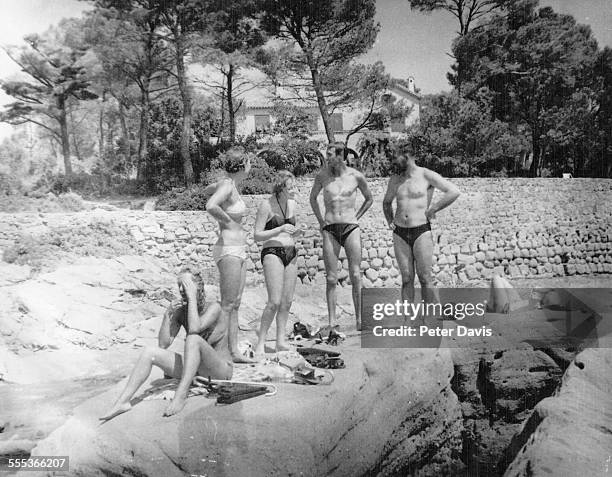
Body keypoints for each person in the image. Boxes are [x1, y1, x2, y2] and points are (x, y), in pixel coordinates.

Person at [100, 272, 232, 420]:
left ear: (198, 287)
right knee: (150, 352)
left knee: (193, 338)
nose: (182, 290)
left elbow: (195, 329)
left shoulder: (214, 307)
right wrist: (168, 314)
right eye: (180, 286)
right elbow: (163, 344)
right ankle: (122, 402)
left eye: (187, 286)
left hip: (220, 371)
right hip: (196, 370)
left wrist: (192, 299)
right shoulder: (183, 311)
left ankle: (180, 395)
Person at [382, 148, 460, 306]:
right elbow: (386, 202)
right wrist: (390, 220)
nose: (394, 163)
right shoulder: (395, 179)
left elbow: (453, 191)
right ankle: (408, 322)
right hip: (399, 233)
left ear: (408, 156)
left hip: (421, 231)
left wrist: (434, 208)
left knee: (425, 278)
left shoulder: (426, 174)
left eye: (396, 159)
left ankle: (429, 320)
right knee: (406, 279)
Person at [309, 142, 373, 331]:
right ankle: (332, 321)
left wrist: (356, 217)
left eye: (330, 154)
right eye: (326, 154)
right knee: (330, 278)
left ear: (341, 156)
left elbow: (369, 199)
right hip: (330, 228)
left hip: (351, 227)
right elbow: (312, 198)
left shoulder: (356, 176)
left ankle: (360, 320)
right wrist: (321, 221)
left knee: (355, 274)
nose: (327, 158)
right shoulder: (322, 176)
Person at [205, 149, 255, 363]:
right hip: (229, 249)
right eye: (249, 162)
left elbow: (207, 190)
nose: (250, 165)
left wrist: (216, 186)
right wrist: (227, 222)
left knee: (235, 303)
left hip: (238, 248)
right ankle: (218, 353)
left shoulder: (227, 184)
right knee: (227, 304)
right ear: (243, 163)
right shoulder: (227, 185)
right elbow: (210, 205)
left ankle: (234, 351)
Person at [253, 171, 302, 356]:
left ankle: (280, 340)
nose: (294, 190)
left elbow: (290, 231)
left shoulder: (293, 204)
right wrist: (279, 228)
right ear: (280, 188)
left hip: (291, 251)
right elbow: (257, 235)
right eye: (290, 187)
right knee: (274, 301)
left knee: (287, 301)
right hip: (272, 251)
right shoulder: (266, 205)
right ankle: (261, 342)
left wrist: (296, 233)